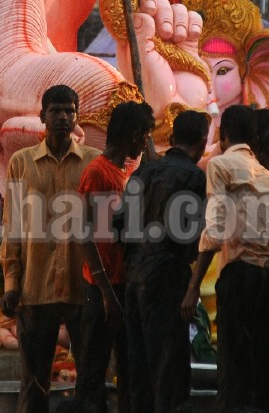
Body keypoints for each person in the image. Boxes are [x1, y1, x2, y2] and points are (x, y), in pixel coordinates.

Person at [0, 85, 100, 413]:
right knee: (33, 383)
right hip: (35, 287)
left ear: (77, 116)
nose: (62, 117)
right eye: (55, 110)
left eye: (69, 110)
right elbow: (11, 226)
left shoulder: (93, 163)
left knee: (91, 379)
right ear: (42, 116)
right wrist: (12, 284)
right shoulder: (21, 163)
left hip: (82, 287)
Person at [181, 105, 269, 412]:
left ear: (223, 135)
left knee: (233, 364)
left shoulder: (220, 165)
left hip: (239, 274)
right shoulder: (266, 174)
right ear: (256, 137)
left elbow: (215, 229)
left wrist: (193, 286)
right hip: (267, 276)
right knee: (260, 361)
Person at [119, 109, 208, 413]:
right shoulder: (194, 176)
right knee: (168, 367)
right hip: (169, 280)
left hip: (135, 278)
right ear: (203, 140)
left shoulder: (143, 171)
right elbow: (192, 238)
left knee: (139, 365)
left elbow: (120, 224)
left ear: (171, 138)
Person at [76, 100, 155, 413]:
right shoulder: (97, 173)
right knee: (93, 370)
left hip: (124, 285)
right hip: (102, 288)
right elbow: (84, 234)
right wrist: (106, 292)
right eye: (144, 136)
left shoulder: (125, 173)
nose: (145, 143)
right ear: (134, 135)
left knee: (128, 365)